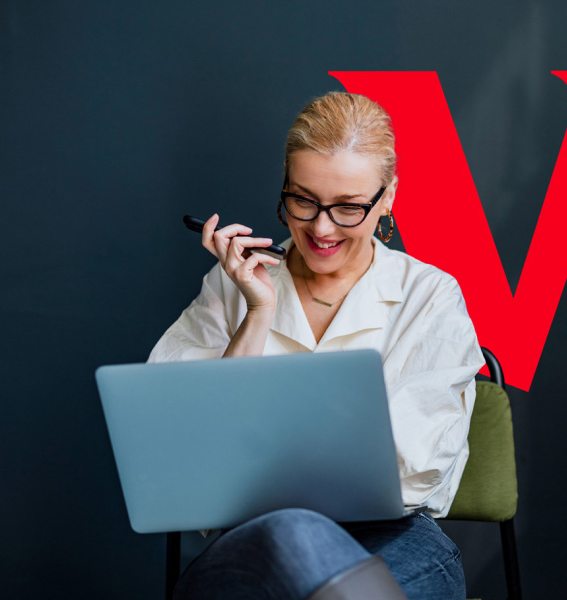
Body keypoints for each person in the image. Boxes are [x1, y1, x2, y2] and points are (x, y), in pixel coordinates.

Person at [147, 91, 484, 600]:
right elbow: (183, 447)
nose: (321, 228)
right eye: (303, 200)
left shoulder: (429, 295)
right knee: (290, 535)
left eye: (348, 207)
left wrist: (263, 458)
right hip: (250, 543)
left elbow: (414, 469)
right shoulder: (231, 284)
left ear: (388, 197)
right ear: (284, 183)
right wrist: (258, 311)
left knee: (307, 544)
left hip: (391, 540)